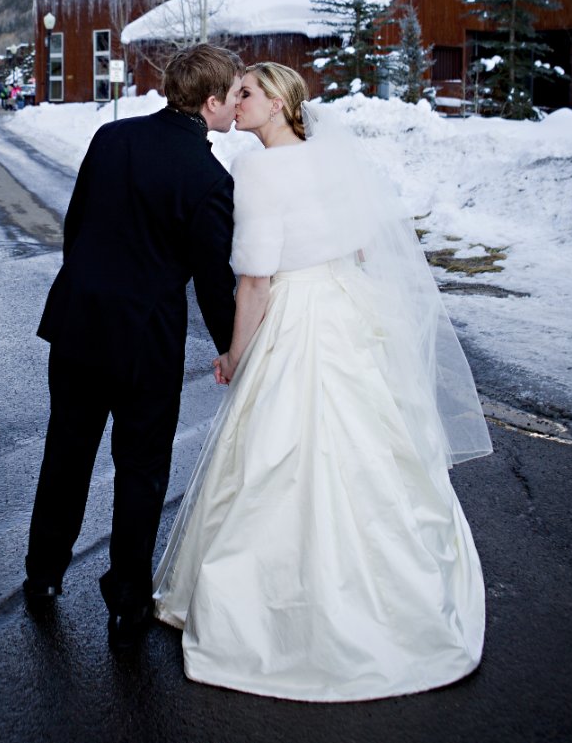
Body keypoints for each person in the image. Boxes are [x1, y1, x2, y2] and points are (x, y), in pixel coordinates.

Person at [153, 62, 493, 702]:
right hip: (344, 307)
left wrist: (237, 355)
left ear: (279, 103)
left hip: (297, 315)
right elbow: (362, 248)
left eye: (248, 92)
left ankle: (286, 620)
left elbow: (255, 280)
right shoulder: (329, 158)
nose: (236, 101)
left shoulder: (258, 169)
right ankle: (396, 598)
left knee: (277, 457)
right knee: (368, 449)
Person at [24, 44, 244, 649]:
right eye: (233, 95)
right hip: (146, 341)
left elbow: (76, 226)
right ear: (210, 102)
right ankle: (127, 601)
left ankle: (42, 575)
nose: (236, 105)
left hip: (78, 322)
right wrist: (232, 347)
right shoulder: (210, 179)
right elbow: (213, 284)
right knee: (141, 468)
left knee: (66, 453)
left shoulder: (111, 138)